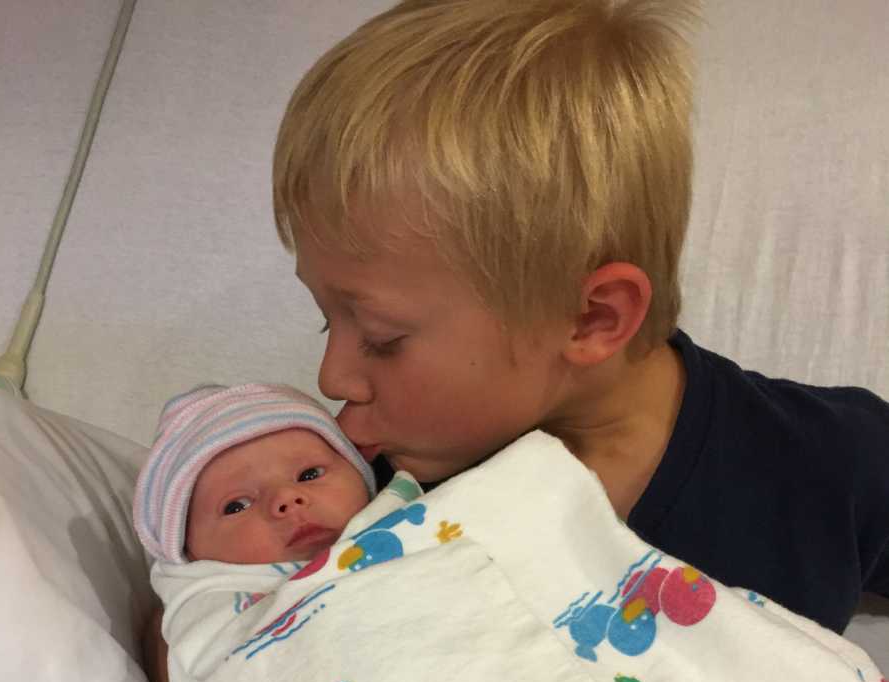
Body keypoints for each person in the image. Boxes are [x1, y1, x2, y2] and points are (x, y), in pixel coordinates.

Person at [271, 0, 889, 636]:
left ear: (592, 319)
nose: (333, 378)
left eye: (380, 338)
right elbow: (210, 627)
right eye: (327, 322)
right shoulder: (342, 490)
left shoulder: (825, 466)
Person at [133, 381, 380, 682]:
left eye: (309, 474)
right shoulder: (207, 618)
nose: (286, 499)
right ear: (190, 554)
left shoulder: (419, 521)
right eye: (236, 506)